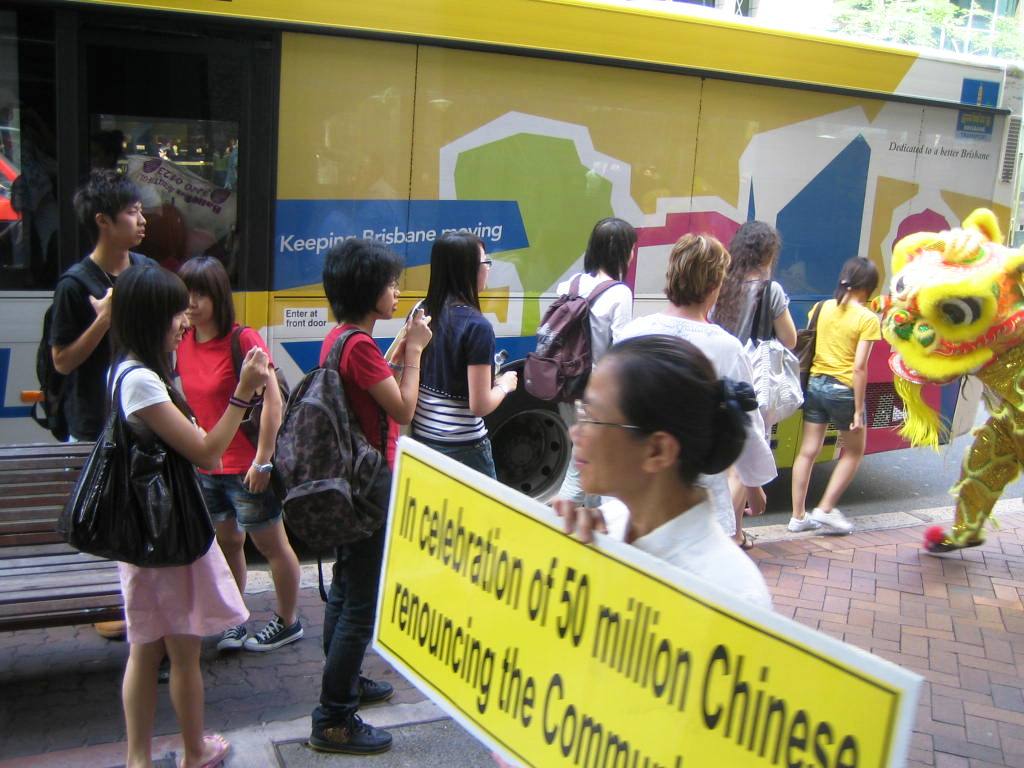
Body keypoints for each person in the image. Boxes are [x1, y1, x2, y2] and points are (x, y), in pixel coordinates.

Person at [109, 265, 268, 768]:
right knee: (178, 651)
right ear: (152, 316)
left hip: (147, 535)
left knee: (147, 649)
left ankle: (141, 758)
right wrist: (243, 394)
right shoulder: (142, 382)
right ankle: (194, 752)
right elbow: (207, 452)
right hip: (165, 537)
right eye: (177, 311)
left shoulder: (129, 371)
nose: (185, 320)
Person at [310, 238, 432, 754]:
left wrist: (398, 350)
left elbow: (368, 390)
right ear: (368, 290)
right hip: (369, 483)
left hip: (348, 482)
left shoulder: (340, 338)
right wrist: (416, 352)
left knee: (345, 586)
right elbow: (402, 409)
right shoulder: (359, 347)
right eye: (390, 283)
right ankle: (334, 717)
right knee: (362, 601)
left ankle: (345, 681)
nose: (397, 291)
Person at [555, 334, 772, 609]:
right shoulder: (605, 526)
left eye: (593, 418)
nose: (575, 433)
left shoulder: (732, 596)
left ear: (657, 451)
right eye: (581, 412)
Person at [617, 234, 776, 550]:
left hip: (634, 484)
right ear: (715, 284)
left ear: (671, 275)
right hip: (696, 491)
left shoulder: (632, 333)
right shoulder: (726, 348)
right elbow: (745, 423)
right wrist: (754, 485)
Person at [176, 256, 302, 653]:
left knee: (271, 545)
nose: (192, 303)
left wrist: (263, 459)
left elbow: (273, 401)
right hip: (207, 465)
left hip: (247, 467)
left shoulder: (242, 340)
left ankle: (288, 620)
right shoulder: (183, 340)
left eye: (201, 294)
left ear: (218, 296)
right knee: (228, 542)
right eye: (186, 294)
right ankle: (234, 620)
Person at [51, 170, 155, 441]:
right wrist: (104, 319)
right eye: (132, 212)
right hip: (93, 426)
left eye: (140, 211)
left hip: (144, 418)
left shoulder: (148, 271)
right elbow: (61, 363)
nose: (142, 220)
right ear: (102, 220)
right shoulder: (74, 285)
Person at [411, 231, 517, 477]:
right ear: (467, 269)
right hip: (463, 448)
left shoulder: (422, 311)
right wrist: (505, 386)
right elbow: (480, 405)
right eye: (485, 262)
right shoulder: (478, 327)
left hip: (421, 439)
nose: (488, 268)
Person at [789, 256, 881, 535]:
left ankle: (798, 516)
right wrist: (858, 410)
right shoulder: (868, 319)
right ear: (869, 285)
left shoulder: (822, 307)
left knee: (808, 451)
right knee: (853, 451)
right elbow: (859, 367)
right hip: (843, 390)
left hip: (815, 384)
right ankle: (826, 509)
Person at [553, 217, 637, 507]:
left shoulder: (569, 284)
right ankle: (555, 525)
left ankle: (591, 526)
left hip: (565, 388)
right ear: (623, 252)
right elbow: (622, 350)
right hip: (595, 394)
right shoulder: (619, 293)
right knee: (584, 468)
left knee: (591, 464)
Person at [712, 221, 797, 349]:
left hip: (722, 359)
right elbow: (790, 341)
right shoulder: (771, 290)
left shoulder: (719, 286)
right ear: (769, 255)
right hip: (753, 361)